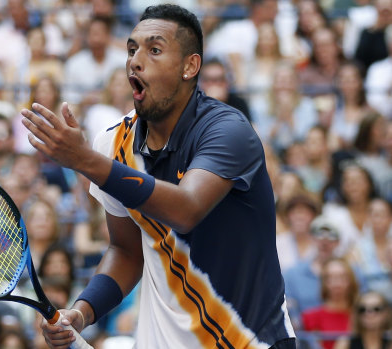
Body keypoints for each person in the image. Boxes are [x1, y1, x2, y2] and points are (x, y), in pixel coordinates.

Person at [21, 4, 295, 348]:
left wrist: (86, 161)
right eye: (132, 49)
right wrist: (84, 310)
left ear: (189, 66)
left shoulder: (228, 131)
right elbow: (126, 250)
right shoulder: (112, 144)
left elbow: (186, 209)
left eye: (154, 49)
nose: (136, 60)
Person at [302, 257, 359, 349]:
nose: (337, 283)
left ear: (351, 280)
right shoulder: (310, 317)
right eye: (330, 277)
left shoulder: (365, 313)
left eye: (342, 277)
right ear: (323, 282)